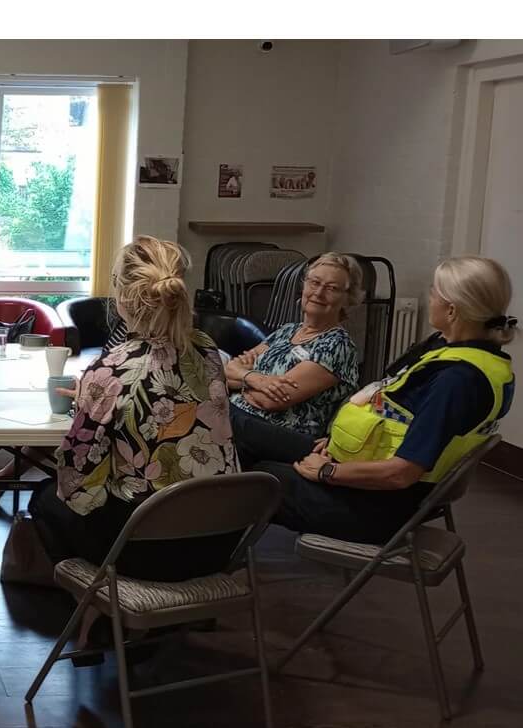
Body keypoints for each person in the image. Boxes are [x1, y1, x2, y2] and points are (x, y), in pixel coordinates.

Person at [254, 255, 516, 542]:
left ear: (452, 310)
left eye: (434, 292)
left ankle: (211, 564)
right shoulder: (469, 355)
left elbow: (401, 474)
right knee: (240, 433)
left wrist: (329, 471)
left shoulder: (457, 379)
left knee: (254, 478)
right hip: (360, 467)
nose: (430, 298)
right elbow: (391, 409)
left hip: (375, 508)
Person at [29, 235, 240, 581]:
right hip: (218, 541)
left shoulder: (111, 369)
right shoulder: (207, 351)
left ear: (123, 295)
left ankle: (97, 603)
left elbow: (75, 477)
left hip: (145, 549)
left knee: (45, 499)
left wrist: (91, 401)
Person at [226, 252, 362, 469]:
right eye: (315, 282)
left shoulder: (336, 345)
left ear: (348, 299)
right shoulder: (287, 330)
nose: (319, 292)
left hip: (291, 436)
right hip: (249, 422)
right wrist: (257, 380)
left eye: (332, 288)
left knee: (221, 417)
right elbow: (227, 371)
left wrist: (241, 380)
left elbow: (272, 401)